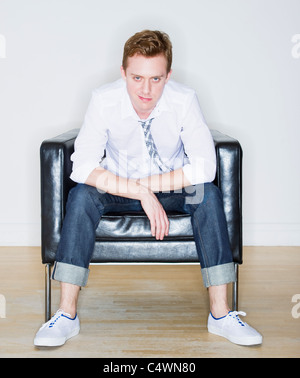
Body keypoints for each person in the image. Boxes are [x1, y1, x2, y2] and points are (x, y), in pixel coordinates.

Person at [34, 30, 262, 347]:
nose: (145, 89)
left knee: (207, 193)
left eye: (155, 79)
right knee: (82, 195)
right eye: (137, 77)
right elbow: (83, 166)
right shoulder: (104, 99)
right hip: (118, 189)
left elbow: (204, 168)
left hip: (172, 187)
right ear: (123, 73)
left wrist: (148, 187)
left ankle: (221, 314)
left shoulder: (184, 100)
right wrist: (137, 191)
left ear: (168, 75)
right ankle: (66, 314)